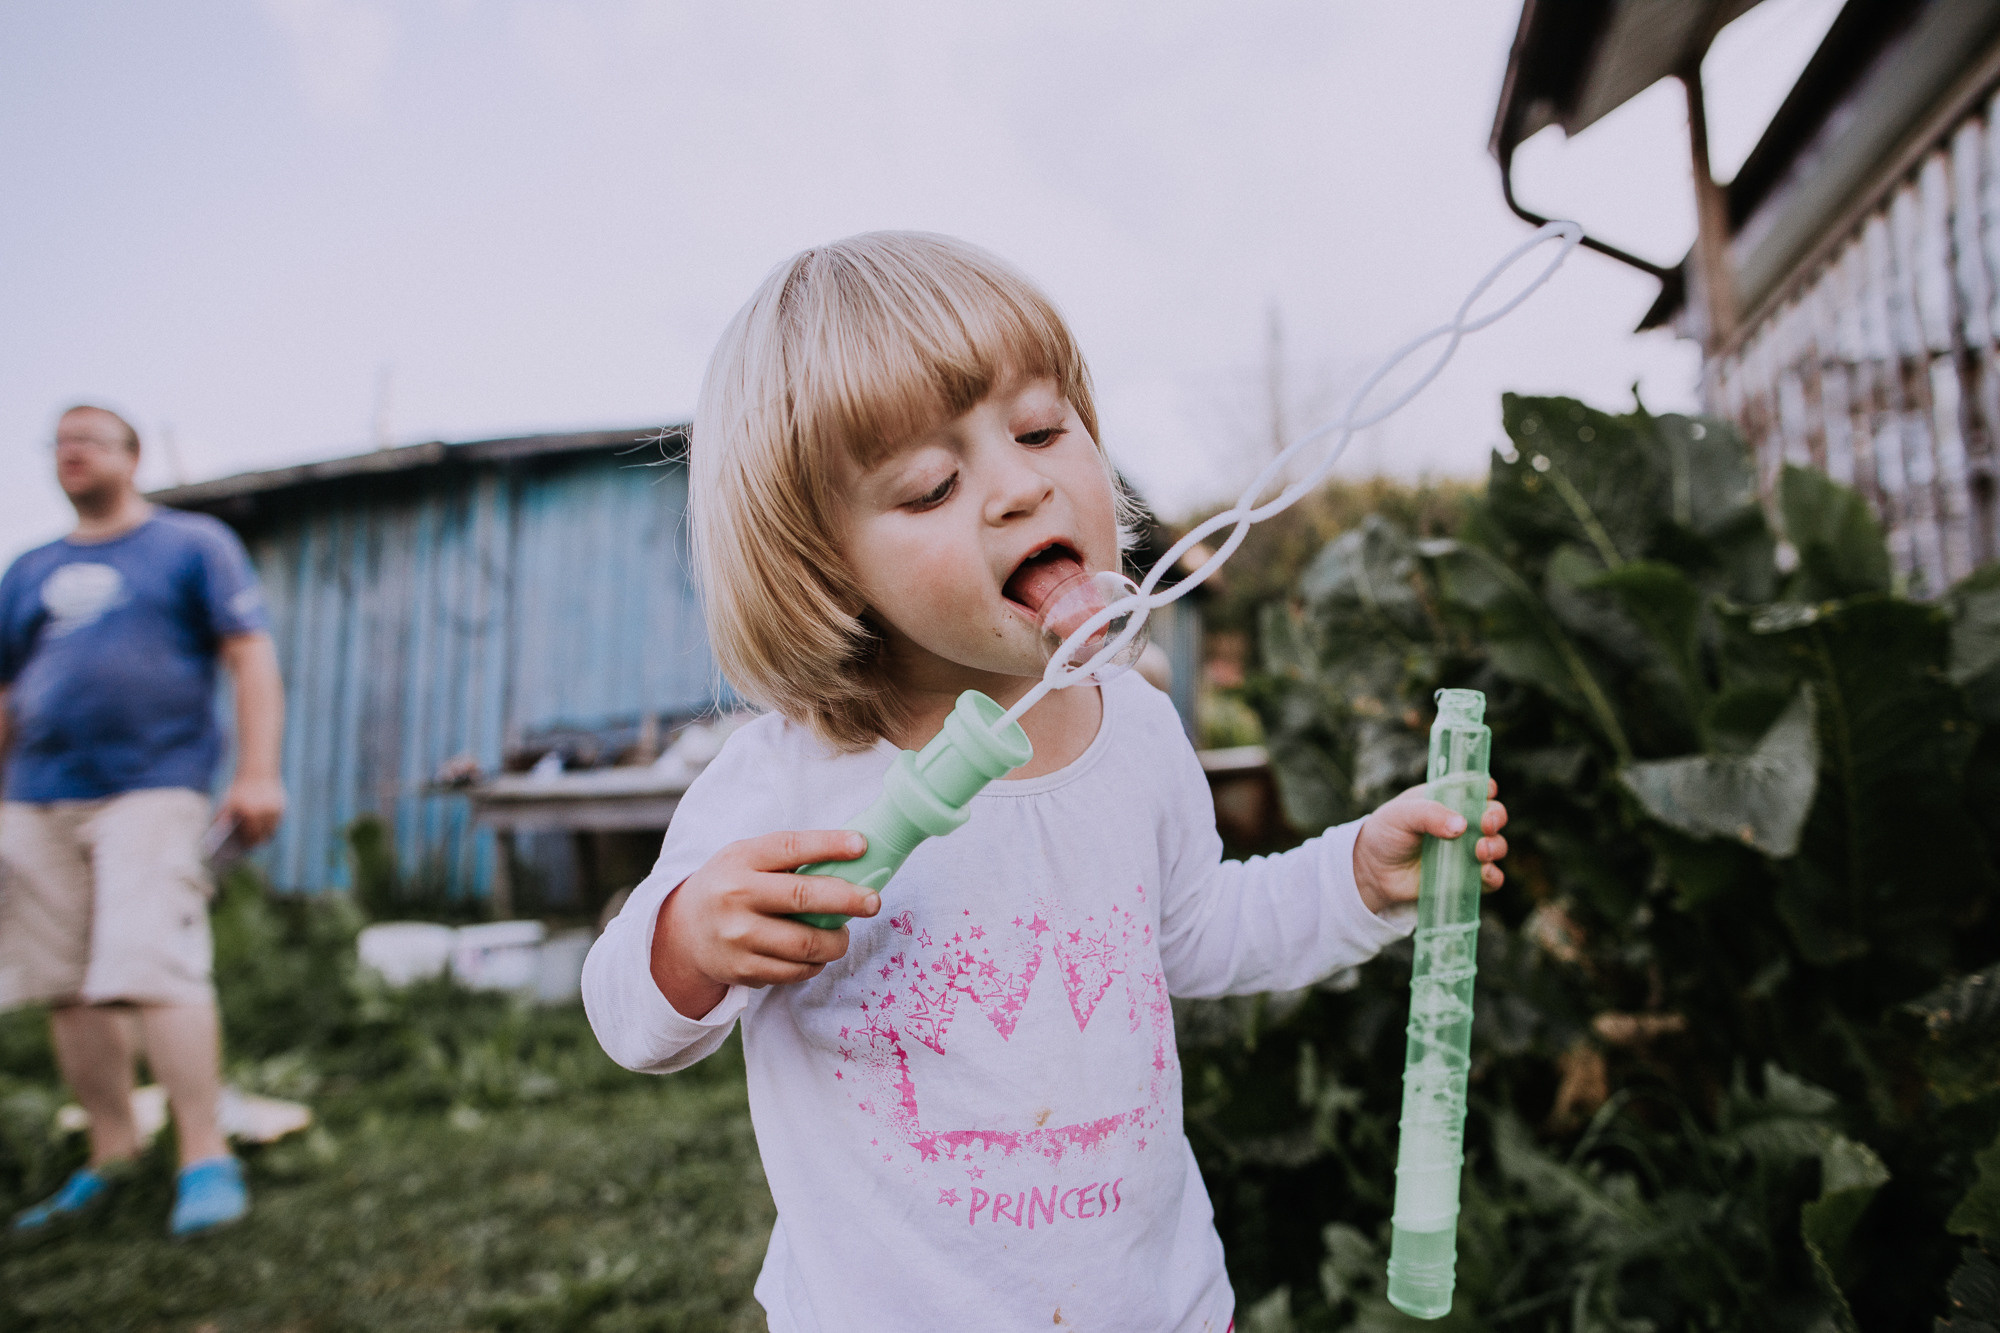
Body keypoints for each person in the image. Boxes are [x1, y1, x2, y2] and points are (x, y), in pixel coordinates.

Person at [582, 233, 1509, 1331]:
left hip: (1157, 1305)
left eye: (1040, 428)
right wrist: (687, 938)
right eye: (929, 485)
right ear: (820, 568)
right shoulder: (788, 778)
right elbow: (628, 1019)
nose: (1020, 486)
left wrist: (1353, 876)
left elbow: (1198, 931)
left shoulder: (1137, 731)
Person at [0, 405, 286, 1238]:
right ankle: (112, 1154)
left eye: (89, 438)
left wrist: (258, 771)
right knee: (64, 980)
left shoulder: (191, 545)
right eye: (58, 442)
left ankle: (204, 1155)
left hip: (153, 786)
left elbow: (249, 653)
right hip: (35, 796)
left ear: (132, 456)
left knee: (155, 963)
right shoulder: (27, 568)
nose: (70, 451)